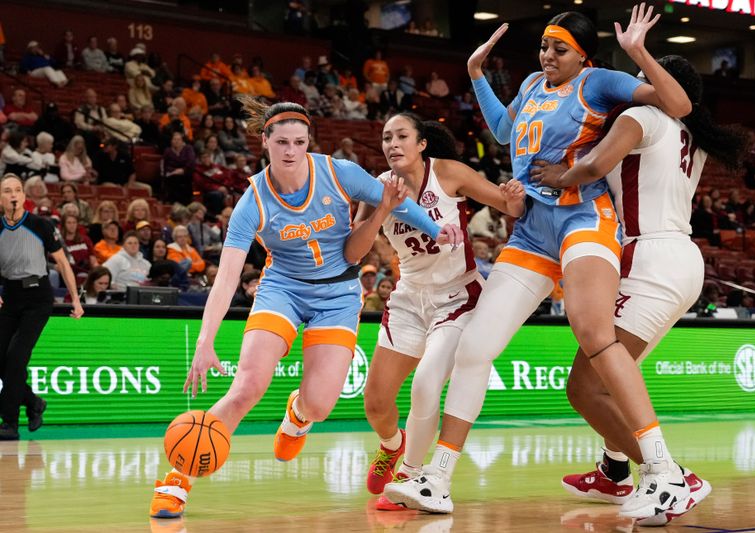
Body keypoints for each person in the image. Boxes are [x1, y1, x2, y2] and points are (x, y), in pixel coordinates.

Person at [382, 6, 697, 522]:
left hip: (583, 220)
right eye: (545, 47)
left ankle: (663, 470)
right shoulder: (531, 82)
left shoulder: (601, 82)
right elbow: (506, 133)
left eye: (559, 49)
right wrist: (477, 76)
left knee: (594, 333)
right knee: (475, 349)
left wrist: (638, 52)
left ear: (583, 55)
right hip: (531, 232)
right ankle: (436, 478)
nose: (548, 56)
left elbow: (678, 103)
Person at [149, 99, 461, 519]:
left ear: (308, 141)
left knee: (318, 406)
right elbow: (225, 278)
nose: (291, 150)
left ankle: (297, 413)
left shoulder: (338, 173)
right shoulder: (252, 202)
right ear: (265, 142)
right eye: (281, 142)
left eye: (299, 141)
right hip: (282, 289)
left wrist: (434, 226)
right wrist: (205, 342)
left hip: (337, 295)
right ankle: (176, 479)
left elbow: (396, 201)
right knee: (247, 387)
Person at [531, 54, 745, 525]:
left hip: (651, 258)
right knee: (615, 380)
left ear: (653, 84)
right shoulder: (693, 136)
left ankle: (674, 477)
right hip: (680, 259)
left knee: (585, 387)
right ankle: (613, 470)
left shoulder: (640, 115)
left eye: (637, 80)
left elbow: (595, 167)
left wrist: (558, 176)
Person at [346, 113, 525, 501]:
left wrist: (513, 195)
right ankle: (393, 445)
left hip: (457, 297)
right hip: (409, 298)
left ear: (421, 143)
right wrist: (379, 210)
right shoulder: (375, 188)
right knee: (376, 403)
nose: (392, 144)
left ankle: (411, 476)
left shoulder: (448, 173)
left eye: (402, 136)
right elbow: (353, 252)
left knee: (427, 384)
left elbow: (509, 207)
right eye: (386, 137)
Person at [0, 173, 83, 440]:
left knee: (15, 359)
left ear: (24, 196)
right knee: (2, 361)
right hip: (10, 297)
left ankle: (9, 424)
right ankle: (34, 402)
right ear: (0, 198)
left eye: (17, 190)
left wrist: (76, 299)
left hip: (37, 298)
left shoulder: (41, 225)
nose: (13, 195)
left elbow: (62, 263)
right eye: (7, 191)